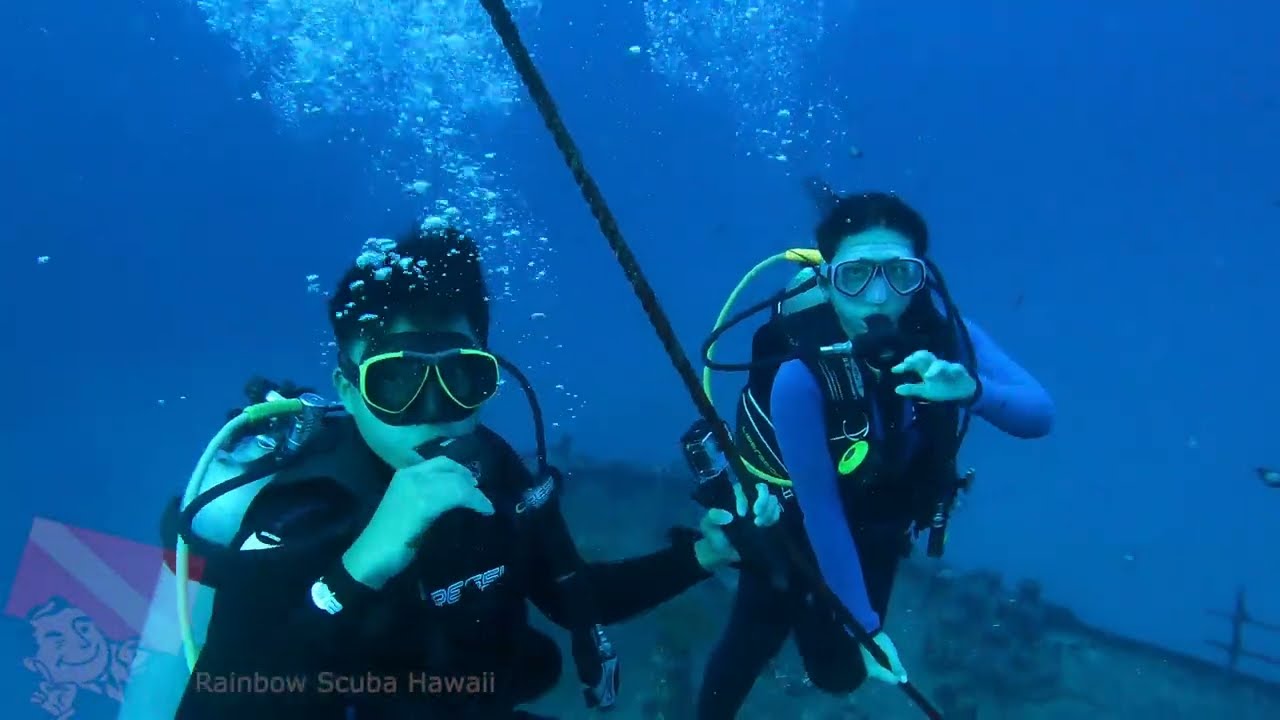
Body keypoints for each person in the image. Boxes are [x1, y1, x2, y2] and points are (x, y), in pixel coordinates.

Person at [161, 225, 779, 720]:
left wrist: (705, 554)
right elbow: (222, 705)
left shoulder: (497, 467)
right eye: (396, 382)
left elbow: (572, 598)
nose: (434, 415)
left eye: (460, 377)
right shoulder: (306, 510)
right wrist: (359, 567)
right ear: (348, 390)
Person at [696, 191, 1054, 718]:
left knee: (838, 674)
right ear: (825, 283)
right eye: (855, 277)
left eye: (900, 275)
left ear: (921, 278)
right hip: (793, 514)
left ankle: (816, 610)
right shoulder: (800, 375)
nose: (879, 298)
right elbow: (820, 511)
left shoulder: (947, 336)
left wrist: (972, 391)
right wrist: (864, 626)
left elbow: (1039, 413)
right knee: (753, 631)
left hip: (882, 514)